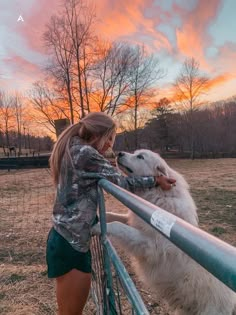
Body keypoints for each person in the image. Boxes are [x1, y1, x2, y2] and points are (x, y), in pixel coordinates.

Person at [46, 112, 176, 315]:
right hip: (70, 243)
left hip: (66, 238)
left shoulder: (74, 149)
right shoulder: (86, 154)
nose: (110, 146)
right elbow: (122, 183)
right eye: (109, 139)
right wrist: (155, 180)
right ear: (99, 134)